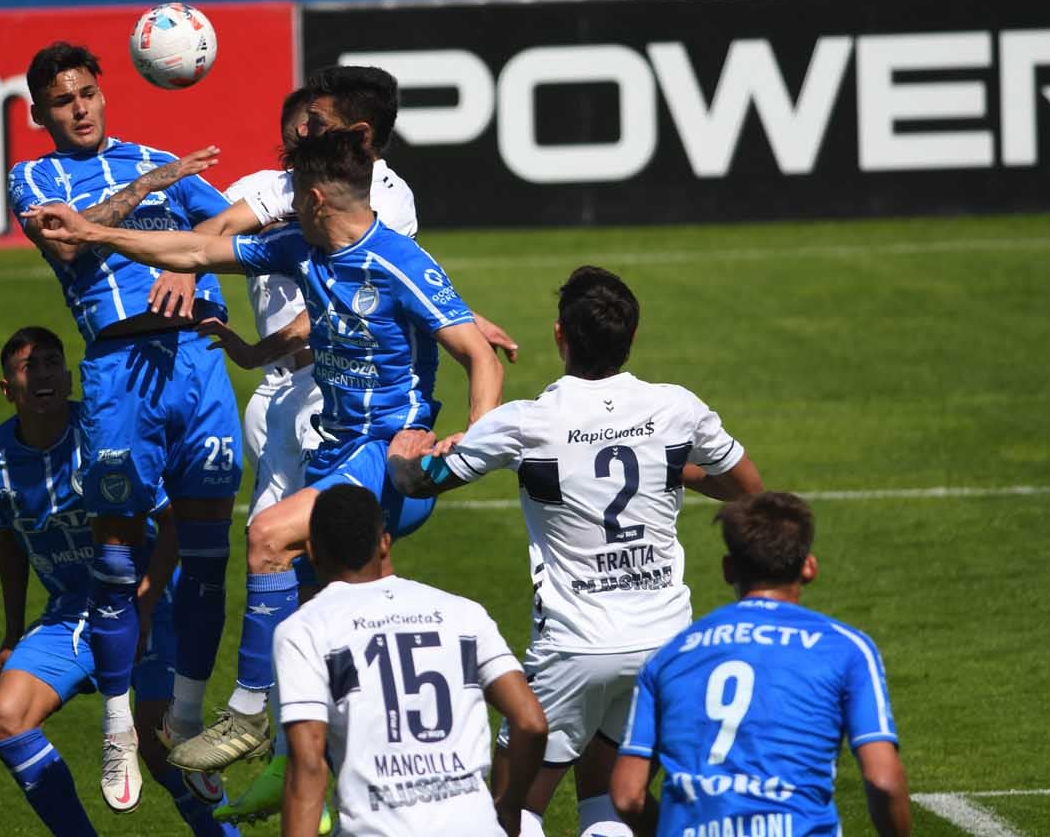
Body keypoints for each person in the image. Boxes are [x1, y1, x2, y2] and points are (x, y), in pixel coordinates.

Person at [23, 126, 505, 775]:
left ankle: (247, 716)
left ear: (313, 199)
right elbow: (195, 248)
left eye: (290, 196)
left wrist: (465, 447)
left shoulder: (396, 261)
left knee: (267, 535)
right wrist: (94, 234)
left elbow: (479, 355)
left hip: (386, 460)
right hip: (335, 458)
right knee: (301, 625)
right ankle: (303, 764)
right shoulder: (300, 250)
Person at [392, 266, 764, 837]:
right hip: (664, 641)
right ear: (631, 338)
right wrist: (670, 472)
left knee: (510, 808)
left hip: (574, 645)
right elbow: (747, 491)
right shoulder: (676, 408)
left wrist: (402, 454)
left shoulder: (525, 422)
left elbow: (422, 482)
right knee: (611, 800)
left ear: (559, 336)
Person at [7, 42, 243, 813]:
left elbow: (235, 229)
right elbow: (68, 239)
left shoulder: (159, 157)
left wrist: (192, 265)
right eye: (62, 101)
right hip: (116, 369)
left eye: (88, 94)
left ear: (105, 94)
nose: (79, 109)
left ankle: (182, 718)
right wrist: (155, 185)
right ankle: (116, 727)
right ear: (40, 114)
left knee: (208, 556)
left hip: (195, 364)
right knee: (116, 558)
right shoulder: (34, 179)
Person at [0, 326, 241, 836]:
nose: (44, 374)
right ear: (8, 388)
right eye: (30, 367)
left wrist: (147, 595)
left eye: (52, 363)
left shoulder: (107, 436)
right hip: (73, 612)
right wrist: (11, 633)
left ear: (69, 376)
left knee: (162, 752)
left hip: (148, 602)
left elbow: (176, 516)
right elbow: (10, 537)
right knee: (6, 718)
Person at [610, 492, 911, 837]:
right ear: (809, 567)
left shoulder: (669, 657)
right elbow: (883, 780)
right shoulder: (848, 649)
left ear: (728, 569)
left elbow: (627, 795)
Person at [273, 484, 548, 837]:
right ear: (384, 542)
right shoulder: (463, 613)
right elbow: (530, 722)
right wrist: (509, 806)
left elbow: (308, 763)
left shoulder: (303, 630)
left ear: (311, 552)